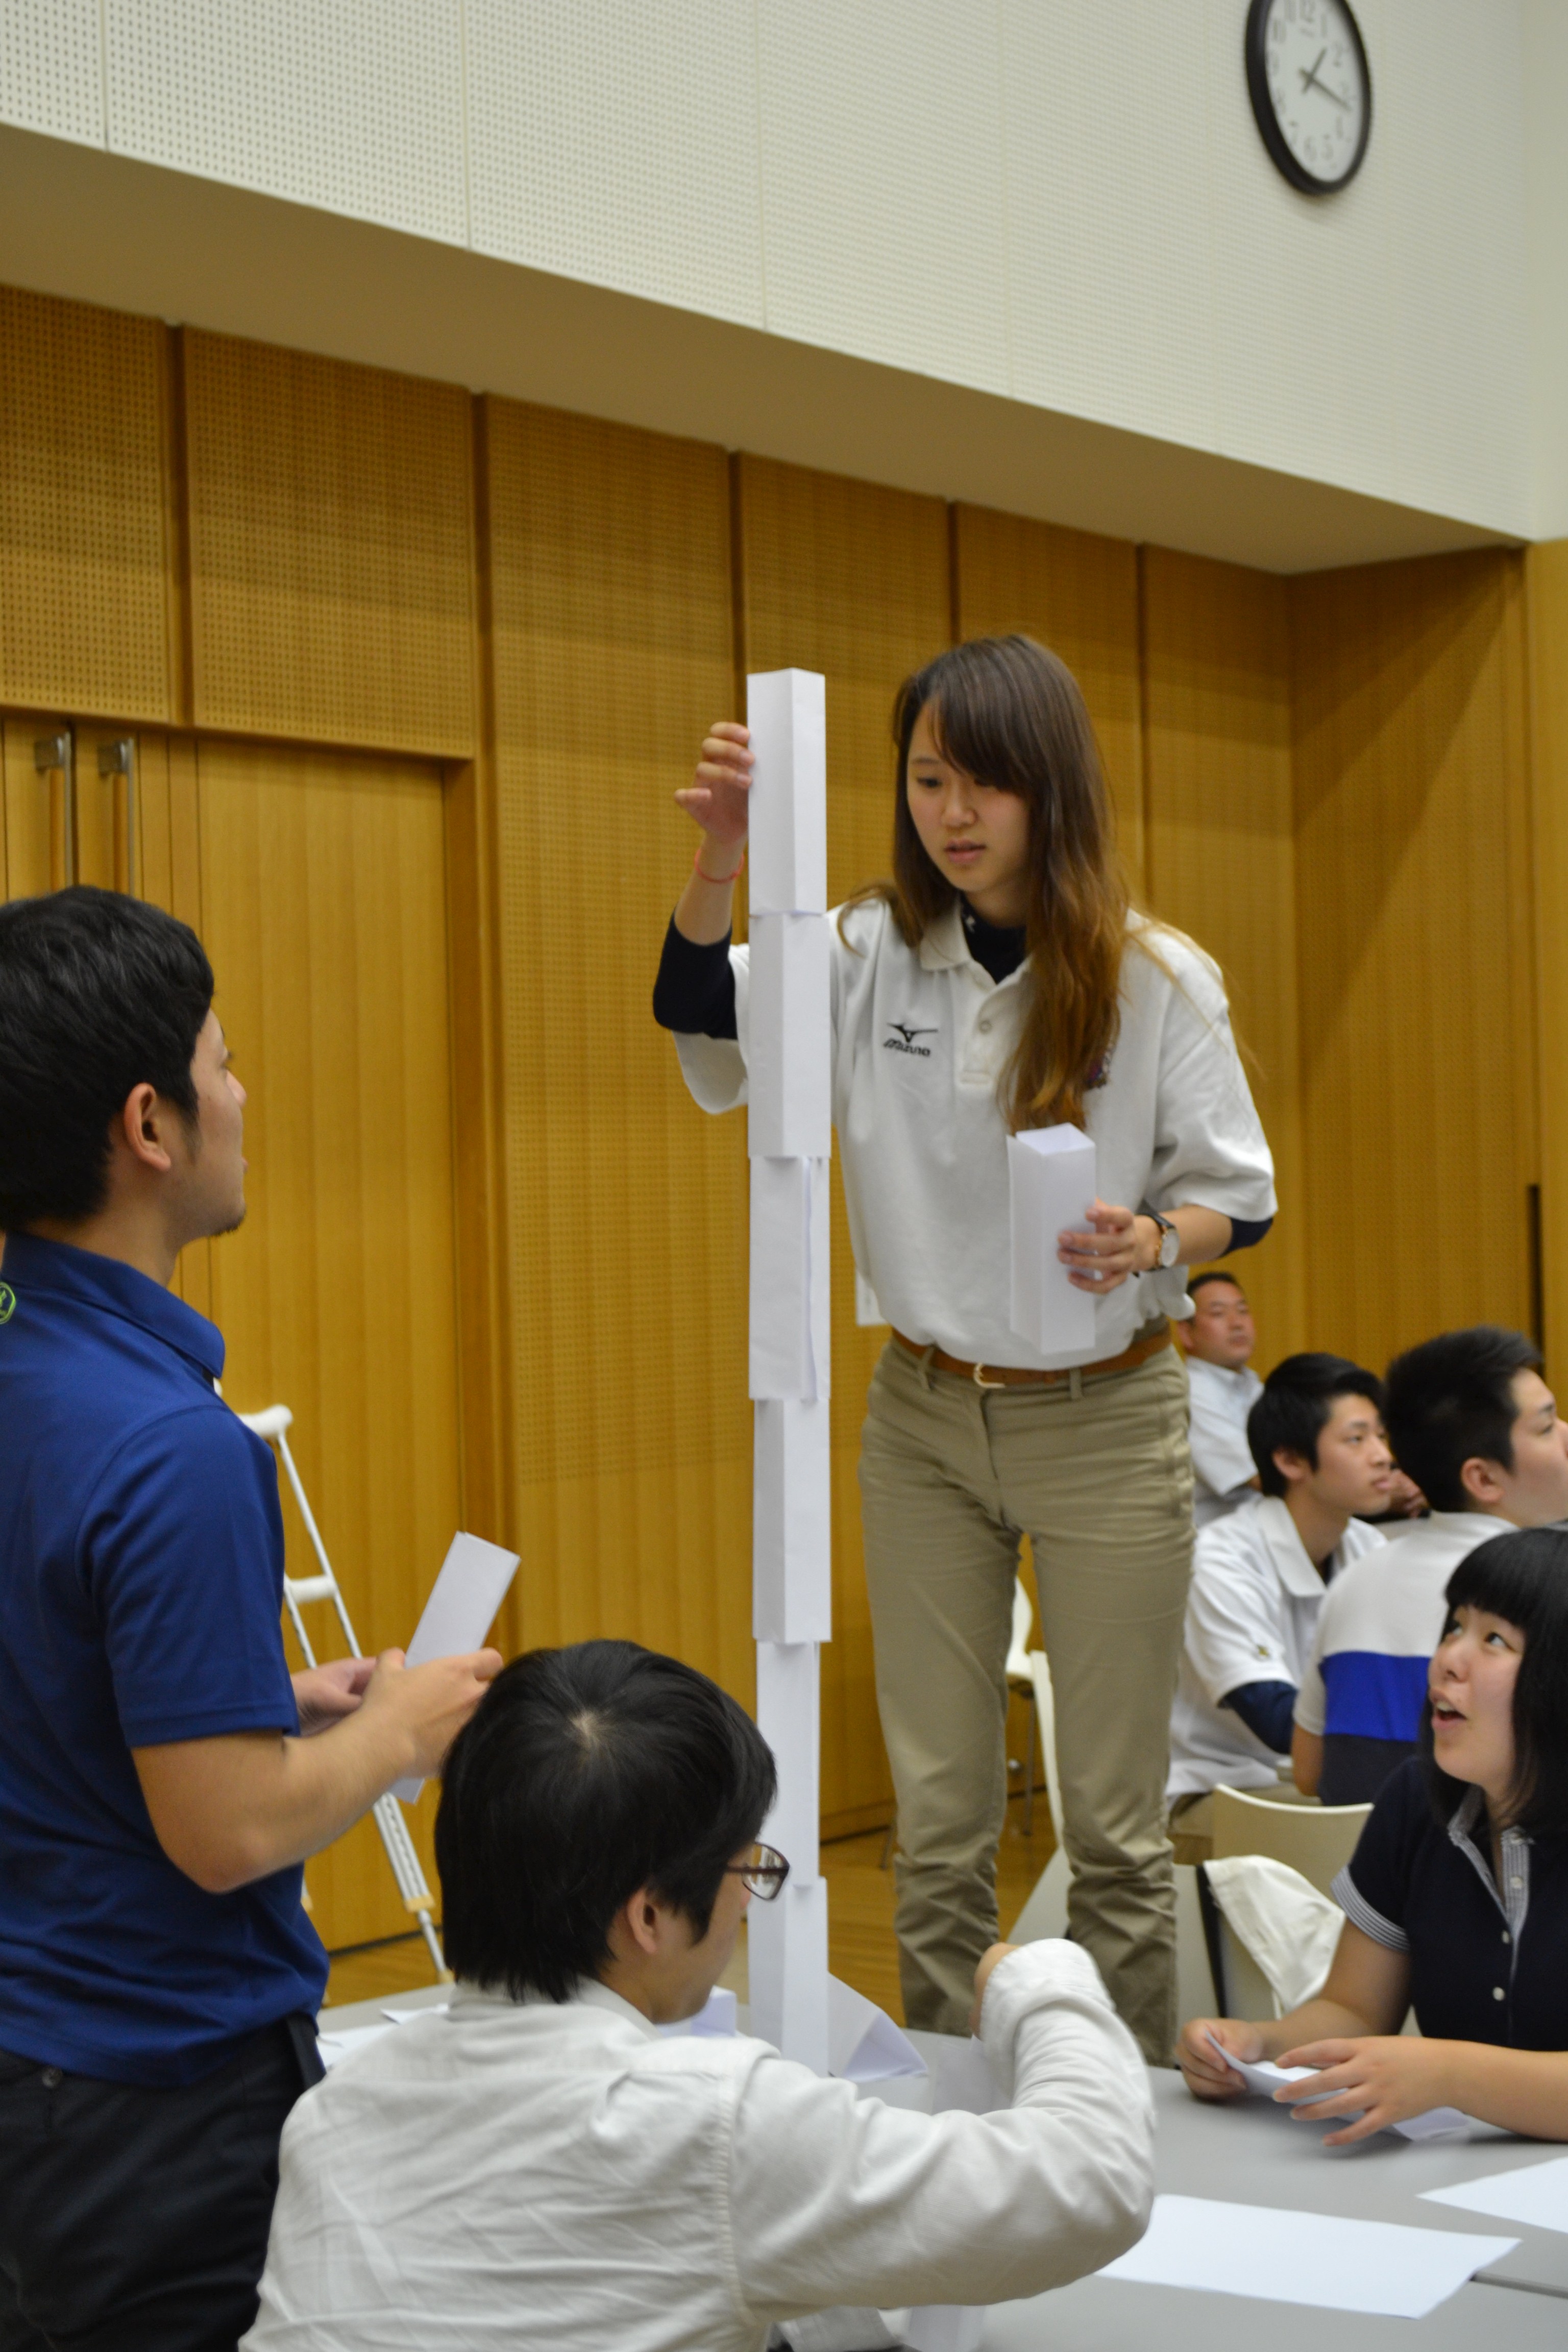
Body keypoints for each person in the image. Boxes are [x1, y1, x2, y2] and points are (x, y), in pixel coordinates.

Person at [652, 634, 1276, 2062]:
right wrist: (722, 858)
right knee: (938, 1820)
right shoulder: (865, 949)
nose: (953, 812)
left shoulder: (1153, 973)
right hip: (926, 1413)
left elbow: (1238, 1194)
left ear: (1050, 789)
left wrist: (1154, 1238)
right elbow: (700, 1014)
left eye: (985, 782)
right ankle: (944, 2113)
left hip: (1106, 1413)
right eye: (928, 779)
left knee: (1113, 1822)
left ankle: (1117, 2112)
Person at [0, 886, 502, 2352]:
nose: (242, 1095)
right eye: (221, 1065)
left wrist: (259, 1703)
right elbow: (223, 1835)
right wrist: (395, 1732)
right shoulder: (174, 1446)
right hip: (151, 2101)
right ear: (149, 1124)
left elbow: (44, 1677)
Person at [247, 1639, 1154, 2350]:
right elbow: (1092, 2179)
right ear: (648, 1915)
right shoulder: (712, 2122)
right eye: (744, 1869)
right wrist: (1039, 1980)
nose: (745, 1904)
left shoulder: (331, 2115)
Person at [1179, 1528, 1568, 2142]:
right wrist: (1258, 2044)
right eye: (1455, 1627)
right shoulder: (1416, 1800)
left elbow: (1443, 2072)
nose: (1448, 1659)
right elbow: (1355, 2009)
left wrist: (1449, 2075)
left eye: (1495, 1640)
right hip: (1461, 2177)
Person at [1292, 1327, 1568, 1806]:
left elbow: (1308, 1772)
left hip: (1353, 1853)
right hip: (1480, 1852)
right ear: (1483, 1478)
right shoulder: (1546, 1583)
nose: (1567, 1435)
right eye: (1546, 1428)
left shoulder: (1354, 1578)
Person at [1166, 1355, 1391, 1861]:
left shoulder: (1370, 1546)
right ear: (1291, 1461)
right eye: (1357, 1439)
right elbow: (1274, 1719)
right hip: (1218, 1791)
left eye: (1381, 1435)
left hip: (1314, 1783)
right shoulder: (1220, 1558)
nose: (1383, 1456)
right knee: (1398, 1832)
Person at [1178, 1270, 1263, 1527]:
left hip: (1258, 1529)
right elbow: (1261, 1479)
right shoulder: (1189, 1392)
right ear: (1186, 1333)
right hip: (1213, 1540)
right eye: (1218, 1313)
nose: (1237, 1323)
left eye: (1243, 1311)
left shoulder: (1252, 1384)